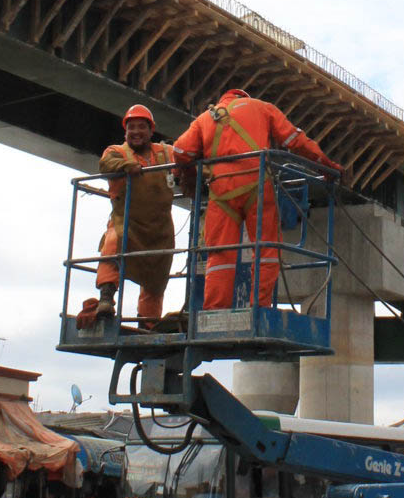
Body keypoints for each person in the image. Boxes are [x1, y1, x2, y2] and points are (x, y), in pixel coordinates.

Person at [173, 88, 341, 309]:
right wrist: (327, 166)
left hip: (221, 191)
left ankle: (214, 312)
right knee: (267, 248)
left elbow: (181, 150)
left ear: (224, 99)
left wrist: (188, 176)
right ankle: (258, 307)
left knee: (220, 255)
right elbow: (295, 140)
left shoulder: (205, 118)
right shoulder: (262, 108)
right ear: (245, 98)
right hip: (257, 186)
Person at [84, 105, 177, 326]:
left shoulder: (165, 153)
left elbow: (186, 158)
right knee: (112, 245)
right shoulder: (116, 151)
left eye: (141, 127)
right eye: (132, 127)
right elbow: (106, 164)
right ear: (125, 132)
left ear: (151, 130)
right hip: (127, 222)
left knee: (157, 279)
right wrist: (126, 166)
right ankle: (106, 298)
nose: (136, 132)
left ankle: (149, 323)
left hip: (159, 229)